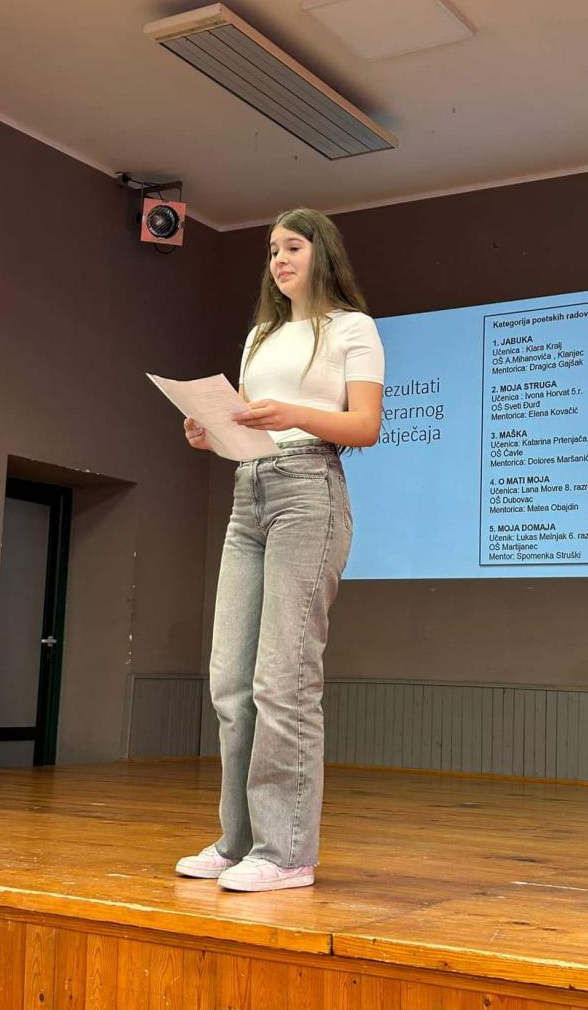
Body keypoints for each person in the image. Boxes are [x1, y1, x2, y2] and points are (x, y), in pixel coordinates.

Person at [175, 207, 384, 892]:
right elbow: (246, 423)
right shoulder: (260, 337)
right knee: (230, 682)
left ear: (322, 252)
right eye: (271, 251)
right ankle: (238, 843)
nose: (279, 260)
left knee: (282, 680)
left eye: (292, 246)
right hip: (250, 492)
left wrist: (294, 414)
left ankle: (286, 853)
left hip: (309, 491)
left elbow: (365, 425)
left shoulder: (352, 327)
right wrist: (210, 432)